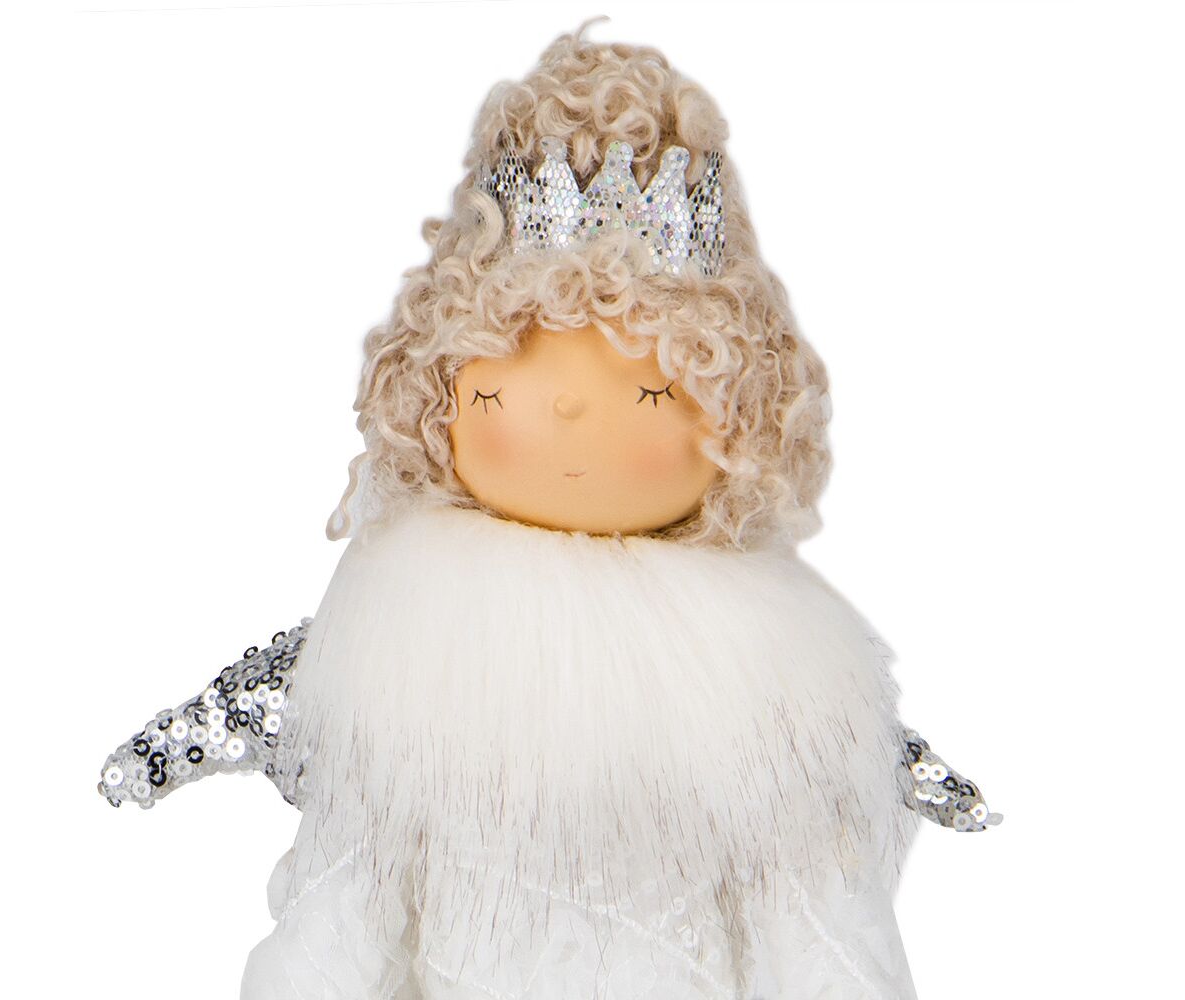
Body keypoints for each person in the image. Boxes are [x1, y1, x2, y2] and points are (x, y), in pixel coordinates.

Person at [98, 20, 996, 999]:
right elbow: (347, 894)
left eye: (645, 388)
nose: (567, 405)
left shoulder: (768, 675)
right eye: (511, 366)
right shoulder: (403, 644)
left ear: (736, 416)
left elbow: (812, 917)